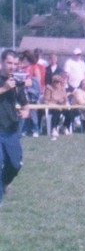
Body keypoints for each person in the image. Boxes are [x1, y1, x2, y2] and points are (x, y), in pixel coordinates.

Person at [0, 50, 30, 207]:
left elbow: (25, 103)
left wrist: (25, 111)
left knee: (15, 164)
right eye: (9, 63)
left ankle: (4, 182)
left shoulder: (17, 81)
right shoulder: (5, 83)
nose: (12, 67)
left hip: (11, 129)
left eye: (15, 64)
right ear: (2, 62)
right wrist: (4, 88)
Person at [43, 74, 71, 139]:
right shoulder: (49, 88)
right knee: (56, 112)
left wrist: (66, 104)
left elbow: (66, 99)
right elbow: (46, 101)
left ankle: (65, 127)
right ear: (52, 82)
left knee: (70, 112)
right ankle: (54, 129)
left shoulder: (62, 88)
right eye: (55, 81)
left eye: (58, 82)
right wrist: (56, 106)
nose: (57, 83)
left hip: (62, 105)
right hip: (52, 106)